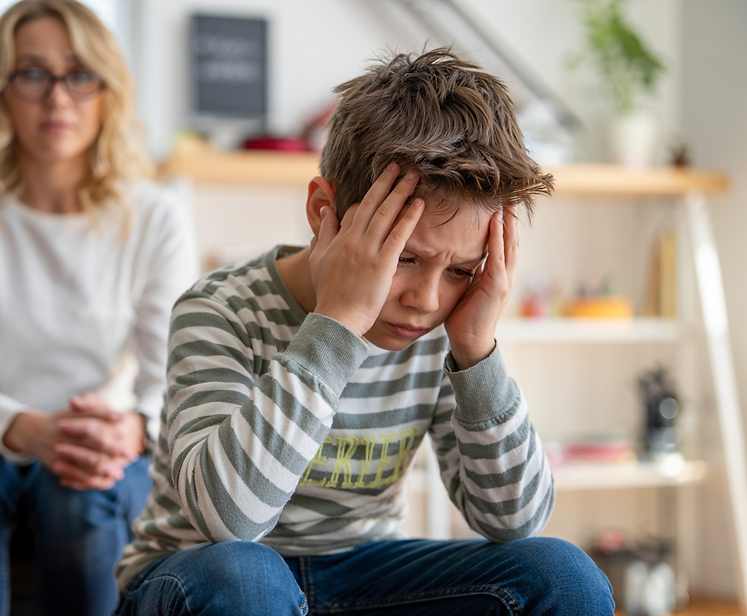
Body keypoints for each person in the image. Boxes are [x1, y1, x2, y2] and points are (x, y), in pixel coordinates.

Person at [114, 48, 614, 615]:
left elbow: (515, 519)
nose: (424, 300)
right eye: (401, 257)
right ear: (323, 210)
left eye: (457, 271)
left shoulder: (443, 328)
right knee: (246, 579)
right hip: (202, 575)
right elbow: (230, 521)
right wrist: (337, 326)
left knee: (561, 575)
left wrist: (477, 353)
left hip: (361, 571)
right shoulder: (219, 310)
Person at [0, 1, 197, 615]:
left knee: (80, 492)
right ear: (1, 90)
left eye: (79, 73)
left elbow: (169, 377)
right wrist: (34, 431)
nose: (58, 99)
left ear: (107, 88)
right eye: (34, 74)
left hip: (97, 444)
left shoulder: (156, 216)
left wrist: (130, 429)